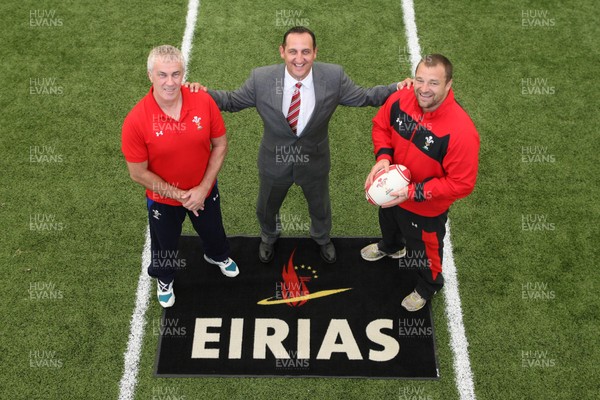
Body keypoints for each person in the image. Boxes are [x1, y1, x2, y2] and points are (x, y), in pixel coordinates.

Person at [191, 26, 405, 264]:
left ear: (315, 52)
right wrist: (202, 94)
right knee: (267, 206)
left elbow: (365, 97)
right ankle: (268, 237)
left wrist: (397, 88)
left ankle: (322, 238)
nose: (299, 58)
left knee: (320, 206)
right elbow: (231, 101)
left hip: (315, 160)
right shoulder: (261, 79)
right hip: (274, 161)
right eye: (293, 51)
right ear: (282, 52)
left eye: (305, 51)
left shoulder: (334, 77)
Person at [121, 45, 239, 308]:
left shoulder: (203, 101)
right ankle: (165, 278)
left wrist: (202, 188)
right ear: (150, 75)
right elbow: (137, 173)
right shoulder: (136, 120)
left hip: (205, 192)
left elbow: (220, 145)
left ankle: (217, 256)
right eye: (162, 74)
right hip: (163, 200)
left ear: (184, 73)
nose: (170, 82)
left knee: (213, 231)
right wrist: (181, 196)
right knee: (164, 245)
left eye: (176, 74)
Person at [361, 54, 480, 312]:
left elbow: (462, 183)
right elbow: (380, 126)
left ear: (448, 85)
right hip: (393, 192)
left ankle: (428, 286)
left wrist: (414, 191)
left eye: (434, 83)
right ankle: (391, 247)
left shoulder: (461, 131)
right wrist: (383, 158)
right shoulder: (400, 99)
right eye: (420, 80)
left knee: (425, 254)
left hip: (425, 209)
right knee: (388, 222)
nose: (424, 89)